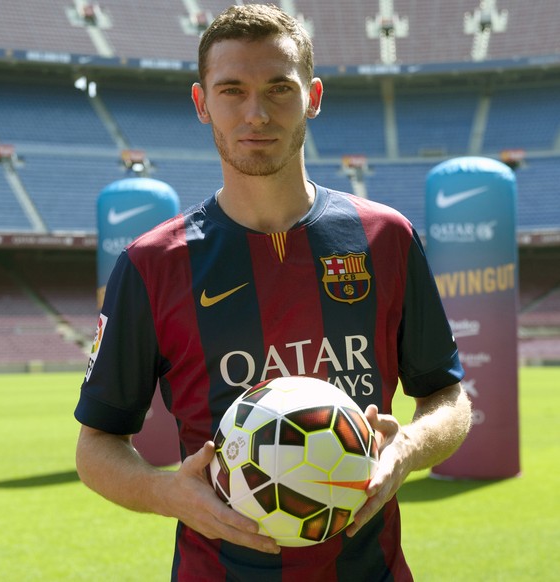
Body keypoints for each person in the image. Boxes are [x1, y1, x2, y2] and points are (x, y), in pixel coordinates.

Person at [74, 4, 472, 581]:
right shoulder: (152, 264)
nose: (255, 113)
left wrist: (407, 447)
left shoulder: (385, 238)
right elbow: (97, 445)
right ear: (201, 103)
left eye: (278, 88)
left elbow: (448, 400)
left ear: (312, 96)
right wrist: (168, 494)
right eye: (231, 90)